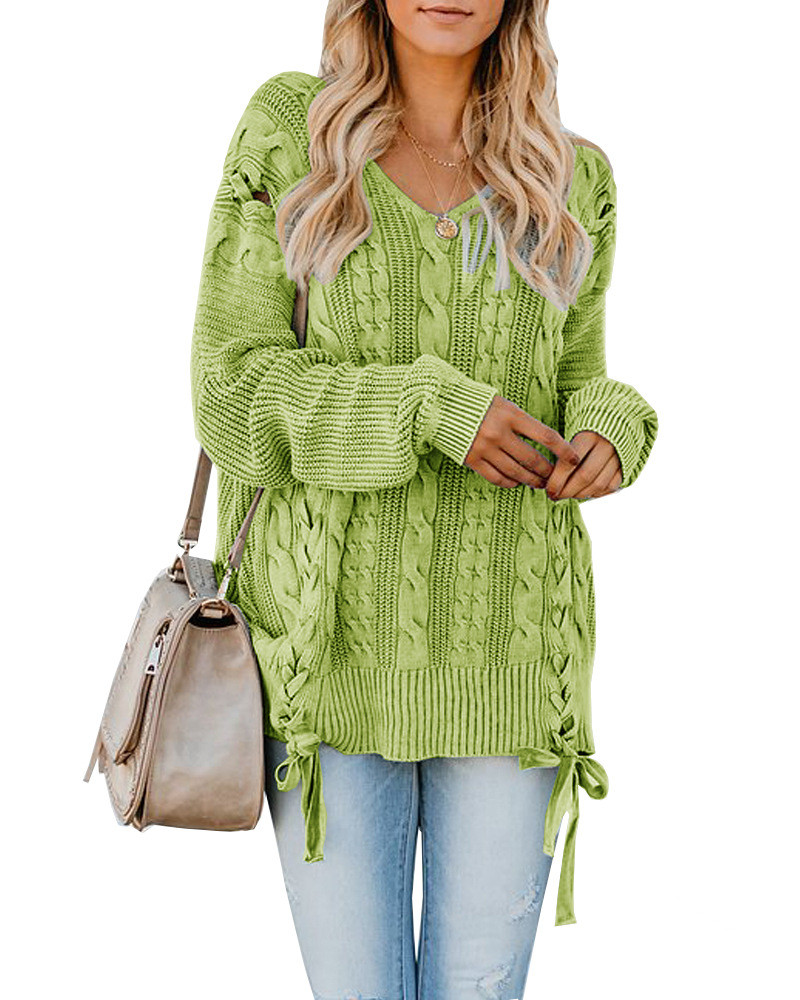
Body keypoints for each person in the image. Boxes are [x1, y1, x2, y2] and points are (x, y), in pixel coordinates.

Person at [190, 1, 659, 996]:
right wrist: (427, 408)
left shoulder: (573, 177)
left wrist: (612, 424)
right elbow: (231, 394)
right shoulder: (292, 134)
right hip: (326, 668)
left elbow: (573, 376)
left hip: (511, 661)